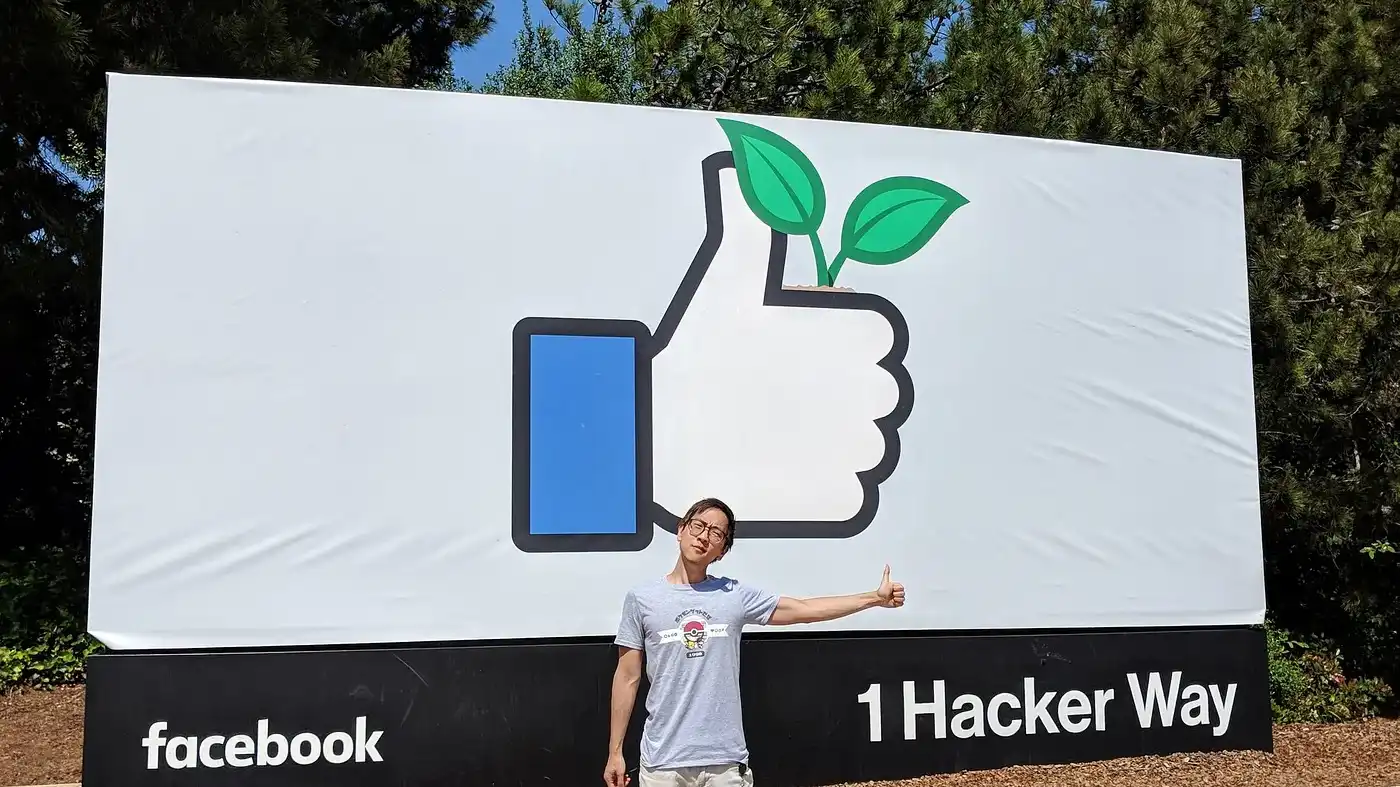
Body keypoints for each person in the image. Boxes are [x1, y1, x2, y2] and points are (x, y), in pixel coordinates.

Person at [603, 497, 906, 787]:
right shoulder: (642, 599)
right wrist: (615, 752)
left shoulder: (733, 596)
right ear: (681, 530)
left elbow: (803, 610)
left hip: (724, 762)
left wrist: (873, 599)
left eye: (716, 533)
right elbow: (628, 677)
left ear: (722, 551)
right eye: (698, 526)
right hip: (663, 763)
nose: (704, 537)